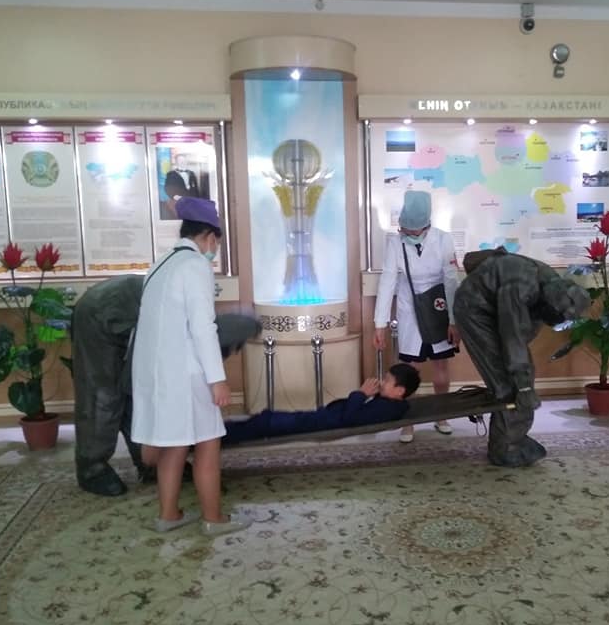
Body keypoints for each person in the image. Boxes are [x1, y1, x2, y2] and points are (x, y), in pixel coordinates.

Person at [72, 274, 262, 497]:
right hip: (99, 314)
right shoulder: (177, 330)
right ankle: (92, 469)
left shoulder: (199, 325)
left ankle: (151, 465)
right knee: (103, 395)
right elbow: (139, 379)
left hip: (132, 315)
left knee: (138, 400)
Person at [131, 196, 250, 536]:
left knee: (175, 443)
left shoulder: (162, 263)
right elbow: (203, 327)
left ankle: (168, 515)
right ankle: (214, 519)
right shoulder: (195, 265)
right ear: (209, 237)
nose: (214, 252)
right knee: (208, 444)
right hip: (187, 374)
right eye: (216, 245)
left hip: (157, 374)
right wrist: (217, 379)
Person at [453, 247, 590, 467]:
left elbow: (522, 333)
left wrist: (522, 372)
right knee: (508, 384)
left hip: (495, 306)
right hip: (474, 310)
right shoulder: (521, 287)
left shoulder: (550, 282)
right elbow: (513, 335)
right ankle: (505, 448)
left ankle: (513, 436)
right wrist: (523, 386)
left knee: (520, 374)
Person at [373, 190, 460, 443]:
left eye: (414, 230)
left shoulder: (443, 240)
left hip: (438, 307)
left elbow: (451, 281)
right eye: (405, 229)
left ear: (426, 223)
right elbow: (387, 281)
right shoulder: (395, 243)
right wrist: (380, 324)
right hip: (409, 310)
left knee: (441, 364)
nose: (409, 233)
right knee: (409, 368)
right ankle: (408, 421)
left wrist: (454, 321)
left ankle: (441, 415)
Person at [223, 364, 420, 445]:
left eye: (387, 381)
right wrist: (371, 394)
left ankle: (218, 438)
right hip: (321, 418)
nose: (382, 382)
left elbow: (350, 419)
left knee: (265, 424)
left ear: (399, 391)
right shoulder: (389, 403)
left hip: (322, 423)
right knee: (264, 421)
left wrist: (361, 393)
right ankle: (223, 432)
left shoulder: (387, 409)